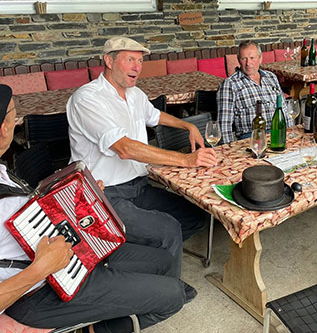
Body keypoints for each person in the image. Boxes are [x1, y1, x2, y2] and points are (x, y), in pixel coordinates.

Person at [0, 85, 188, 332]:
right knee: (174, 295)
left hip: (69, 254)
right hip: (38, 293)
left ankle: (116, 308)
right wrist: (41, 269)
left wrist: (79, 196)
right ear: (4, 128)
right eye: (15, 115)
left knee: (163, 260)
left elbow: (28, 215)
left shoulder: (2, 171)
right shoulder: (87, 98)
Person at [67, 37, 217, 277]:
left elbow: (155, 116)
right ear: (109, 61)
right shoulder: (87, 99)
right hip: (104, 195)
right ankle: (166, 288)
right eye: (130, 60)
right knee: (167, 229)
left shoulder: (135, 94)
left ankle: (145, 262)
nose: (137, 67)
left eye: (140, 61)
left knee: (196, 216)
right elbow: (124, 148)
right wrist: (187, 160)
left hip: (139, 187)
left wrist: (187, 125)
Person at [217, 40, 292, 144]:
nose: (248, 63)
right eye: (244, 59)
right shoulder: (230, 84)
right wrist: (228, 149)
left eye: (252, 58)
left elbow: (284, 110)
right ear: (238, 60)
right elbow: (224, 125)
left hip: (277, 134)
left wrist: (291, 135)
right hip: (250, 138)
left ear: (260, 59)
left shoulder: (271, 77)